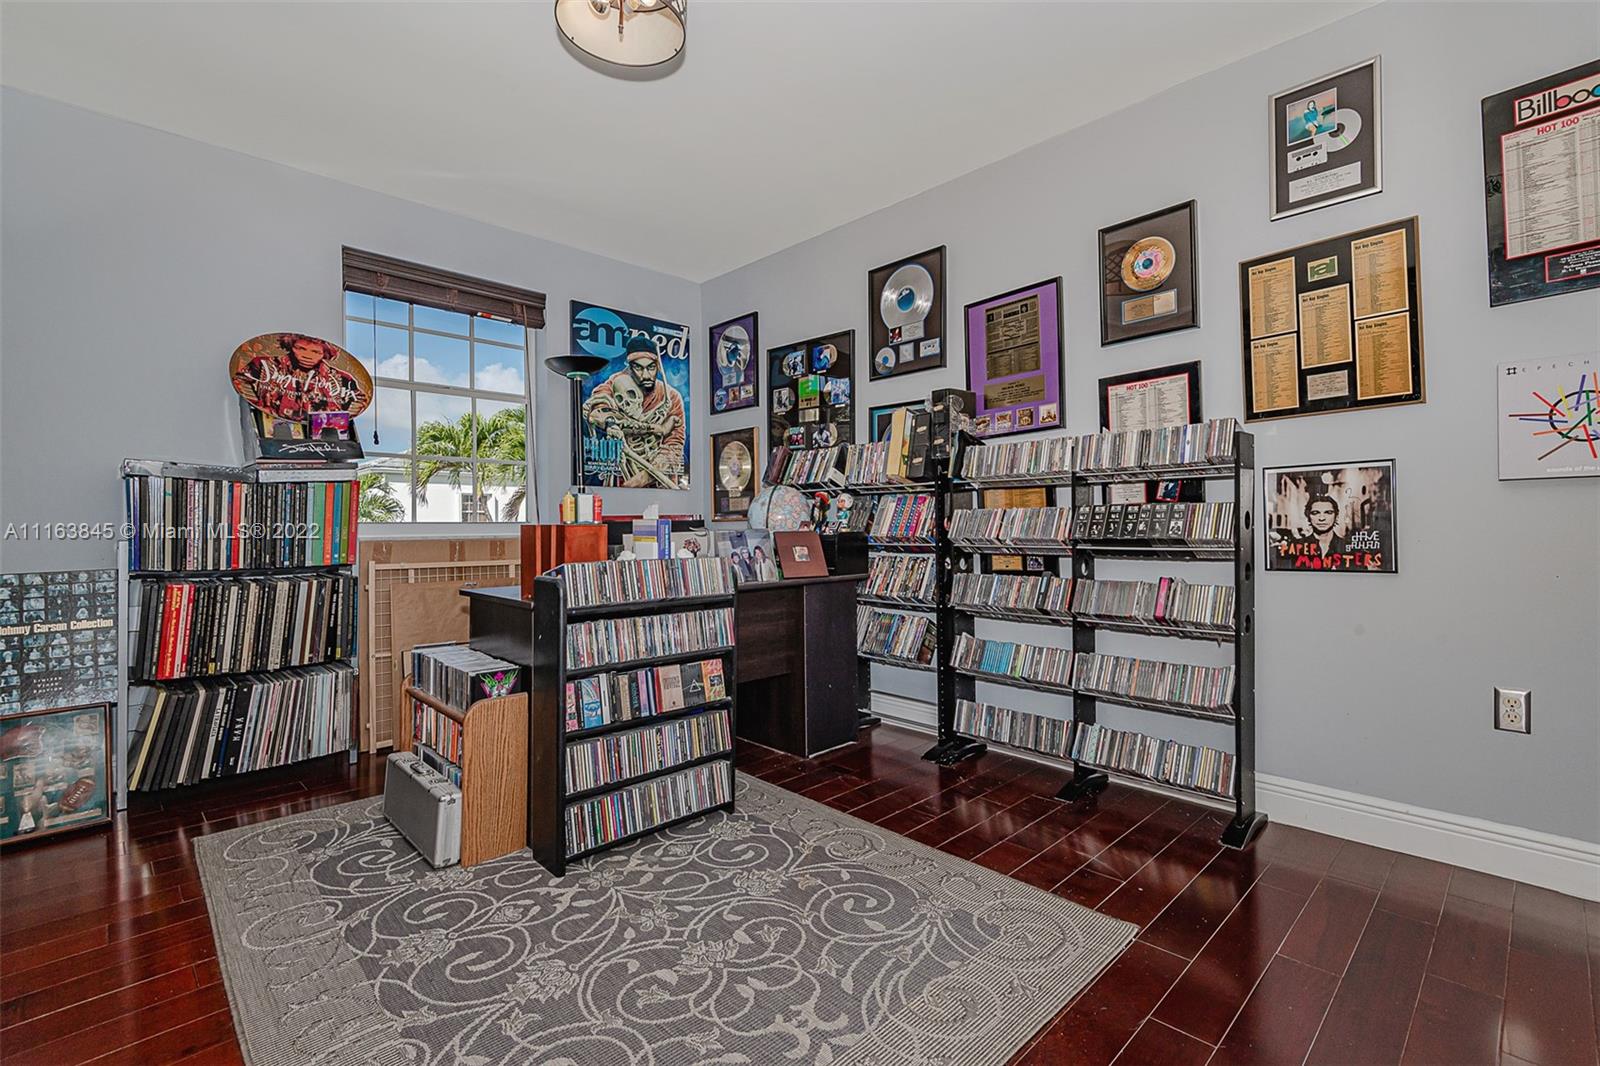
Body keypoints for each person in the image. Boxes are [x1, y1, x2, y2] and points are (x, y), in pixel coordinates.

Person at [582, 335, 687, 488]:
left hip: (660, 485)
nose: (646, 375)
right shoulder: (615, 383)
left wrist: (640, 479)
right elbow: (597, 408)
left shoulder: (671, 397)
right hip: (621, 477)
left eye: (651, 367)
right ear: (630, 367)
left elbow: (674, 446)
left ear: (657, 366)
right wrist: (654, 428)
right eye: (638, 368)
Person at [234, 334, 368, 421]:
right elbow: (240, 380)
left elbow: (360, 400)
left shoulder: (340, 378)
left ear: (325, 354)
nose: (307, 356)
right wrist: (260, 407)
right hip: (271, 427)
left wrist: (336, 420)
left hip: (321, 439)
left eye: (315, 352)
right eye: (301, 348)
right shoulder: (265, 364)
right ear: (290, 346)